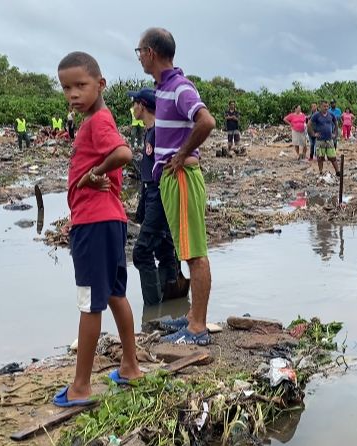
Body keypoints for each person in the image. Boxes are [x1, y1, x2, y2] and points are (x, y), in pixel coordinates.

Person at [53, 51, 142, 407]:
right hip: (109, 220)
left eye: (80, 85)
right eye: (66, 88)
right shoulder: (94, 119)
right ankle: (130, 365)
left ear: (100, 84)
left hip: (95, 222)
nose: (73, 94)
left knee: (90, 303)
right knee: (115, 293)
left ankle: (80, 386)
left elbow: (123, 154)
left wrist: (94, 173)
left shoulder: (97, 122)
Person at [136, 27, 216, 345]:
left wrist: (181, 154)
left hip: (181, 178)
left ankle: (197, 327)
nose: (139, 57)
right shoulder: (164, 89)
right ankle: (193, 316)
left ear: (151, 52)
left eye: (140, 51)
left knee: (194, 253)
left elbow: (206, 121)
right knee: (186, 250)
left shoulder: (180, 87)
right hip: (171, 180)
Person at [128, 87, 189, 306]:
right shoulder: (150, 132)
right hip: (151, 194)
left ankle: (153, 311)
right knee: (165, 249)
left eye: (134, 103)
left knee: (141, 252)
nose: (132, 107)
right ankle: (173, 305)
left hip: (160, 195)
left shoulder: (159, 133)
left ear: (142, 106)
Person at [309, 101, 341, 177]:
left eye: (327, 106)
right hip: (320, 140)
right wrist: (313, 134)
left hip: (329, 139)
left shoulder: (331, 114)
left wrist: (336, 133)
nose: (326, 108)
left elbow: (336, 123)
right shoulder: (316, 115)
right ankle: (321, 171)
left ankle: (338, 171)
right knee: (320, 157)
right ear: (320, 107)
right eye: (324, 106)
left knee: (332, 157)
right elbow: (309, 124)